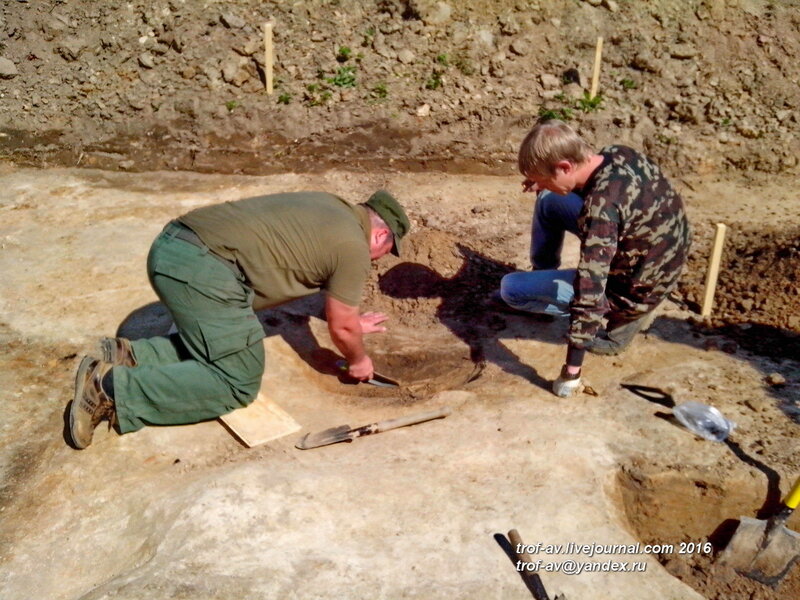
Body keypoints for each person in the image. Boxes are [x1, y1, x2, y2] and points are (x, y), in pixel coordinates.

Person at [69, 190, 410, 449]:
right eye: (385, 251)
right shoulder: (353, 246)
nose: (378, 260)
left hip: (173, 246)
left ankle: (131, 355)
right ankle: (111, 390)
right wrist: (358, 358)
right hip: (203, 271)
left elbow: (306, 263)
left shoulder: (331, 206)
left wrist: (347, 318)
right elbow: (343, 326)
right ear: (380, 235)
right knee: (236, 383)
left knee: (221, 344)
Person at [495, 119, 691, 397]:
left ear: (564, 167)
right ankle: (543, 272)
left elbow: (590, 291)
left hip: (634, 290)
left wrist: (571, 373)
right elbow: (598, 194)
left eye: (544, 177)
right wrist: (543, 181)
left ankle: (621, 327)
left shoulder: (600, 211)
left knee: (511, 289)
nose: (539, 184)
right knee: (548, 200)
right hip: (660, 261)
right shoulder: (618, 153)